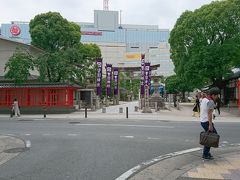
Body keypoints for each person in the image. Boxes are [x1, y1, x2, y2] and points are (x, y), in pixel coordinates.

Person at [200, 87, 220, 160]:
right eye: (217, 95)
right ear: (213, 95)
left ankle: (206, 153)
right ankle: (205, 154)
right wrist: (210, 125)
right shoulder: (210, 101)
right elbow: (209, 113)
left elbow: (205, 109)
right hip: (207, 122)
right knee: (212, 137)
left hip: (203, 121)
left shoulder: (205, 99)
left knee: (210, 136)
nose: (217, 97)